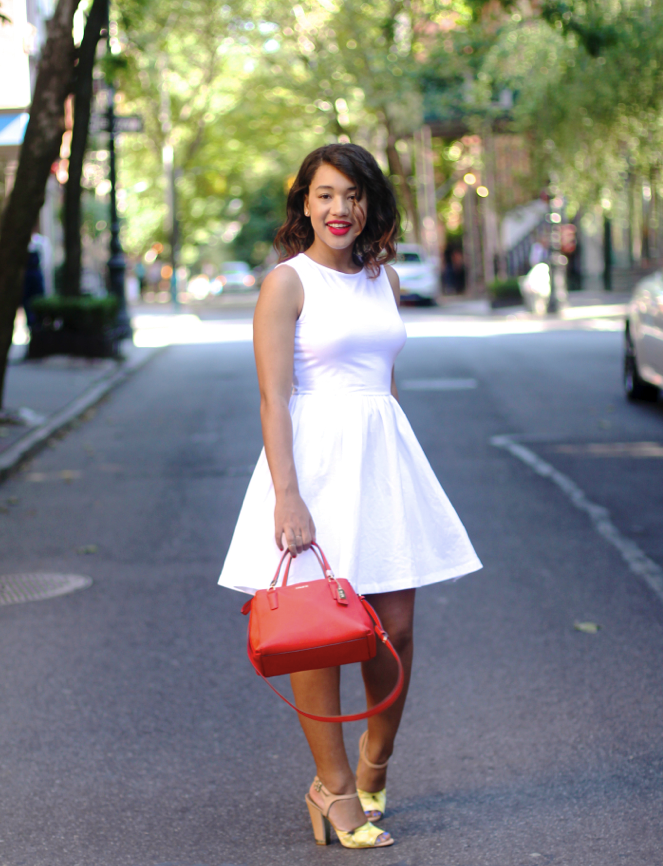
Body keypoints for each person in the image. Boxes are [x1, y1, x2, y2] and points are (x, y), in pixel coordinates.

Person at [218, 143, 482, 849]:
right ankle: (333, 790)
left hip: (381, 460)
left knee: (390, 632)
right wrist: (287, 497)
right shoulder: (287, 284)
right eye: (326, 194)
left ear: (370, 205)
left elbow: (383, 383)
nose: (341, 209)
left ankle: (375, 760)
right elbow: (274, 398)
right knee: (319, 637)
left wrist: (397, 463)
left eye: (354, 195)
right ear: (304, 202)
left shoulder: (384, 280)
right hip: (313, 467)